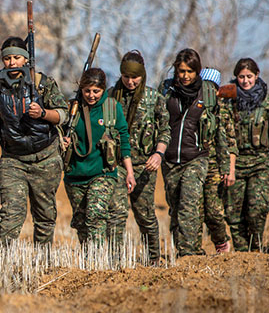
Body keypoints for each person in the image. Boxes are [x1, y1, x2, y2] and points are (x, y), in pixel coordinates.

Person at [0, 36, 68, 248]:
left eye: (16, 58)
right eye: (7, 59)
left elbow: (63, 115)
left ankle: (42, 261)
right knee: (11, 215)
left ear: (25, 59)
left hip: (46, 158)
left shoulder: (43, 83)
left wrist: (43, 113)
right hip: (13, 161)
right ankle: (6, 263)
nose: (12, 63)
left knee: (44, 216)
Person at [160, 49, 234, 257]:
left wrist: (225, 165)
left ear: (197, 71)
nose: (185, 76)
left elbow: (219, 131)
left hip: (197, 158)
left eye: (190, 71)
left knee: (189, 205)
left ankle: (189, 254)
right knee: (175, 208)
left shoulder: (208, 94)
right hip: (170, 159)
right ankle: (184, 251)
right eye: (181, 71)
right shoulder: (167, 91)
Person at [106, 51, 169, 263]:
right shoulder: (110, 97)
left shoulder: (154, 99)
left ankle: (154, 259)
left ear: (143, 75)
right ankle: (114, 261)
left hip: (145, 166)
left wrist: (159, 153)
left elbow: (165, 130)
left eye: (135, 77)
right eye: (126, 77)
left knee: (145, 215)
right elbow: (102, 130)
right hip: (116, 164)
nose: (131, 82)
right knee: (116, 213)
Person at [64, 68, 135, 246]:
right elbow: (57, 132)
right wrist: (62, 140)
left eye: (96, 91)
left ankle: (98, 259)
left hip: (103, 172)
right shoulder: (72, 108)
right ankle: (90, 262)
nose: (91, 95)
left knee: (96, 214)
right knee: (81, 223)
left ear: (103, 89)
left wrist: (129, 172)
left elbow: (124, 139)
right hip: (75, 174)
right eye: (87, 90)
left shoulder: (112, 108)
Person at [222, 58, 269, 251]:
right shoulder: (228, 100)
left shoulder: (268, 101)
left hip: (260, 162)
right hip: (236, 162)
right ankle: (242, 252)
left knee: (257, 207)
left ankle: (255, 246)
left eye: (249, 76)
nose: (245, 81)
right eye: (241, 77)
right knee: (234, 211)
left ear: (257, 76)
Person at [198, 67, 232, 253]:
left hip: (213, 167)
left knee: (213, 210)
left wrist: (227, 168)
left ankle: (221, 242)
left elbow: (226, 142)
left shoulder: (221, 111)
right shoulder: (193, 105)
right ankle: (193, 252)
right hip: (194, 162)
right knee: (195, 211)